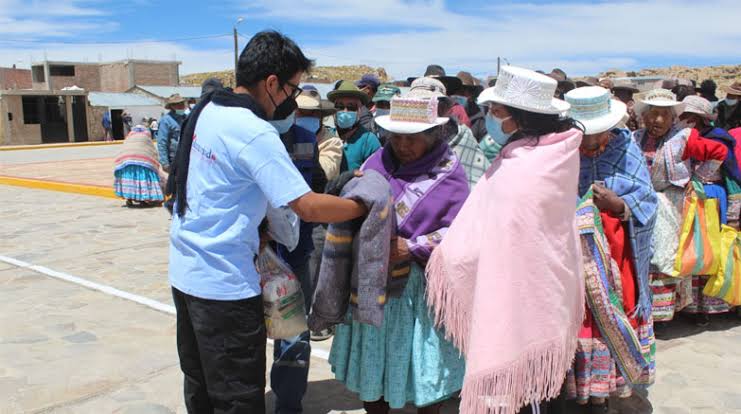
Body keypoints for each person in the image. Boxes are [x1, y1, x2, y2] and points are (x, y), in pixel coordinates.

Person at [165, 30, 368, 414]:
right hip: (225, 288)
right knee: (237, 398)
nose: (292, 99)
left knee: (201, 387)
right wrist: (361, 206)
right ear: (271, 83)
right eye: (291, 88)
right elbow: (306, 206)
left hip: (186, 276)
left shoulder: (209, 110)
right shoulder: (253, 129)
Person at [425, 66, 585, 414]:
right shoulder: (550, 152)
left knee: (524, 385)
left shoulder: (527, 166)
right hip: (549, 288)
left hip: (527, 288)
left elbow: (512, 234)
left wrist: (454, 256)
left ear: (520, 118)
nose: (490, 118)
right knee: (532, 387)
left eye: (497, 112)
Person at [328, 89, 470, 414]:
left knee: (424, 374)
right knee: (372, 373)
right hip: (374, 286)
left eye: (414, 138)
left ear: (435, 134)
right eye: (397, 137)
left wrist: (414, 246)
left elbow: (465, 232)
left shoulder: (449, 175)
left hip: (420, 293)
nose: (404, 146)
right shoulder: (377, 162)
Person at [563, 86, 658, 413]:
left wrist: (619, 205)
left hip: (618, 258)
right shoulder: (562, 151)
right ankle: (583, 391)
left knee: (613, 316)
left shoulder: (625, 147)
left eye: (596, 133)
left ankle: (610, 390)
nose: (590, 141)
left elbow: (647, 199)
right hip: (573, 256)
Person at [632, 89, 730, 325]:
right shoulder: (634, 137)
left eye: (663, 115)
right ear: (643, 116)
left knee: (663, 256)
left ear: (672, 117)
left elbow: (720, 152)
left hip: (670, 202)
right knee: (641, 256)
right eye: (652, 114)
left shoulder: (684, 137)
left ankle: (662, 316)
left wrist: (697, 179)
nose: (657, 120)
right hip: (639, 202)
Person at [266, 82, 328, 414]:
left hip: (294, 257)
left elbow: (314, 184)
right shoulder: (252, 139)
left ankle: (288, 406)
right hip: (254, 258)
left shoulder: (305, 139)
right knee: (247, 335)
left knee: (292, 336)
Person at [411, 76, 490, 188]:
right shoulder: (404, 138)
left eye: (431, 104)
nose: (425, 110)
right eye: (419, 105)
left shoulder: (462, 135)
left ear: (444, 108)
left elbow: (476, 178)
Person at [327, 81, 382, 172]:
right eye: (340, 107)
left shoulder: (369, 141)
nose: (345, 111)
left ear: (359, 111)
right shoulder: (327, 137)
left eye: (351, 107)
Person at [113, 125, 165, 207]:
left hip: (126, 160)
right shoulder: (146, 136)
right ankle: (142, 200)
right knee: (141, 179)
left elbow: (124, 148)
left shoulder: (130, 137)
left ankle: (129, 199)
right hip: (142, 160)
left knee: (130, 179)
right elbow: (151, 150)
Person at [156, 94, 187, 173]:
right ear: (172, 106)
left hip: (187, 157)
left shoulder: (186, 118)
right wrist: (165, 163)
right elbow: (162, 142)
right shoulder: (166, 120)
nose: (181, 106)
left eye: (182, 104)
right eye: (178, 104)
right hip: (174, 159)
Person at [456, 71, 488, 141]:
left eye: (463, 91)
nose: (459, 96)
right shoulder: (446, 113)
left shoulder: (479, 119)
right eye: (457, 91)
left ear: (471, 94)